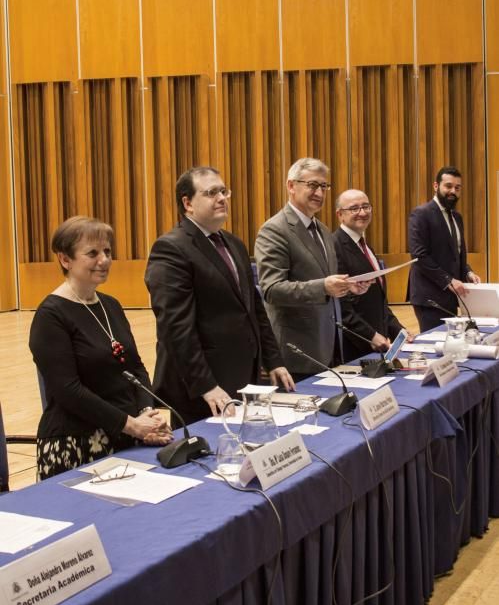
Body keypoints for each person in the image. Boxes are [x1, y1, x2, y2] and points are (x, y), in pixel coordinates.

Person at [145, 167, 294, 427]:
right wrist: (206, 385)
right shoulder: (171, 248)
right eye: (212, 192)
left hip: (243, 376)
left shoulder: (234, 244)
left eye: (224, 191)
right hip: (201, 387)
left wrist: (273, 360)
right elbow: (175, 327)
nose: (222, 198)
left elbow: (254, 309)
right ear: (188, 203)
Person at [30, 216, 172, 480]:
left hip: (127, 434)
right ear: (65, 260)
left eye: (107, 251)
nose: (104, 260)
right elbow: (68, 391)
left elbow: (135, 367)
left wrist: (146, 414)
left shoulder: (112, 305)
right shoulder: (51, 316)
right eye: (92, 253)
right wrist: (132, 425)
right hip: (76, 443)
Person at [254, 157, 367, 379]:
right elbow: (271, 290)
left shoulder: (324, 231)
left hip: (329, 345)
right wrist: (324, 287)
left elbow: (325, 282)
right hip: (296, 354)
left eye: (324, 186)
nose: (319, 192)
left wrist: (348, 287)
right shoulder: (274, 230)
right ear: (291, 186)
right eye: (312, 185)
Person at [332, 189, 409, 361]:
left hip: (376, 346)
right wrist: (371, 336)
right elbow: (342, 308)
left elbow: (378, 301)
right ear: (340, 215)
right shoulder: (334, 246)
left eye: (366, 206)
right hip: (354, 347)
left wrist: (399, 330)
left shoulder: (366, 247)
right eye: (354, 208)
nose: (362, 212)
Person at [408, 166, 481, 332]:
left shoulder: (457, 216)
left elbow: (456, 253)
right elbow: (419, 256)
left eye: (457, 187)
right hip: (429, 296)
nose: (453, 191)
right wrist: (448, 280)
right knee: (436, 346)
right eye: (448, 186)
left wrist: (468, 272)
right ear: (436, 186)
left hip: (451, 296)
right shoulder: (421, 214)